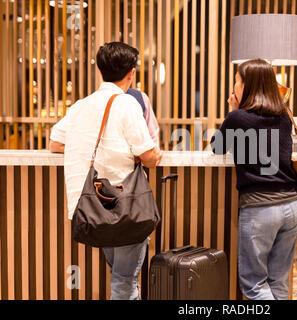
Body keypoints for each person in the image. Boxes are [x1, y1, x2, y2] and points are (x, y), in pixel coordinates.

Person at [49, 42, 163, 300]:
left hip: (91, 207)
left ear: (100, 71)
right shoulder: (126, 104)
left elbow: (55, 142)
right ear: (131, 72)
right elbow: (149, 156)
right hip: (124, 208)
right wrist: (157, 153)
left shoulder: (81, 105)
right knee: (125, 282)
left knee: (120, 276)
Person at [210, 59, 297, 300]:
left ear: (248, 85)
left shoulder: (238, 118)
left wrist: (231, 113)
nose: (234, 86)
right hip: (291, 206)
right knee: (279, 281)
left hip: (261, 207)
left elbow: (217, 148)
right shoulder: (284, 115)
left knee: (254, 285)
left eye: (237, 81)